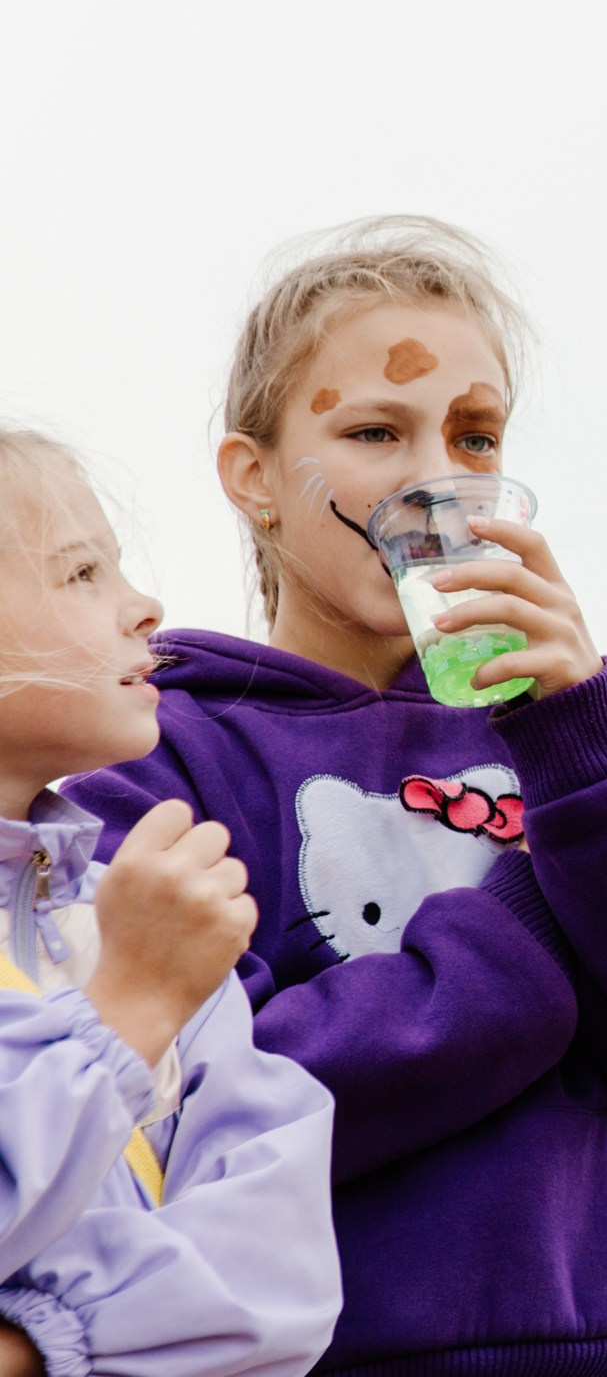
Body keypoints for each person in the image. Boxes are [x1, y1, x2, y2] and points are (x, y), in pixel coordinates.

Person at [66, 221, 607, 1376]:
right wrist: (533, 926)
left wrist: (585, 738)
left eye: (475, 436)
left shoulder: (599, 729)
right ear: (254, 478)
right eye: (375, 431)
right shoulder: (161, 752)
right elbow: (205, 1099)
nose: (436, 479)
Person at [0, 424, 339, 1376]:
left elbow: (277, 1277)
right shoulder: (151, 960)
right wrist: (126, 1011)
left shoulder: (147, 924)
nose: (145, 606)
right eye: (82, 573)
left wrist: (35, 1345)